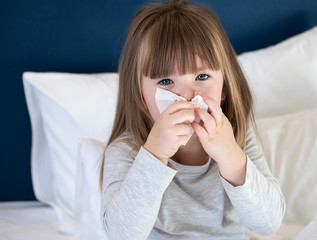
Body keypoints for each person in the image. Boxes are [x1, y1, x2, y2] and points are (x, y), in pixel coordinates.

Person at [100, 0, 286, 239]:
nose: (187, 95)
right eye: (166, 82)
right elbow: (121, 234)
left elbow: (268, 224)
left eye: (202, 76)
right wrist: (154, 155)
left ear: (225, 87)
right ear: (139, 95)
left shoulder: (238, 136)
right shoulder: (126, 150)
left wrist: (229, 154)